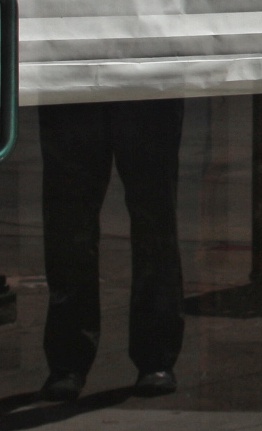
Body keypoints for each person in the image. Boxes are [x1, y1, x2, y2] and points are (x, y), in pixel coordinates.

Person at [37, 98, 185, 400]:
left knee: (153, 219)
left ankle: (150, 357)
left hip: (136, 80)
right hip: (82, 80)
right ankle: (71, 361)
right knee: (70, 223)